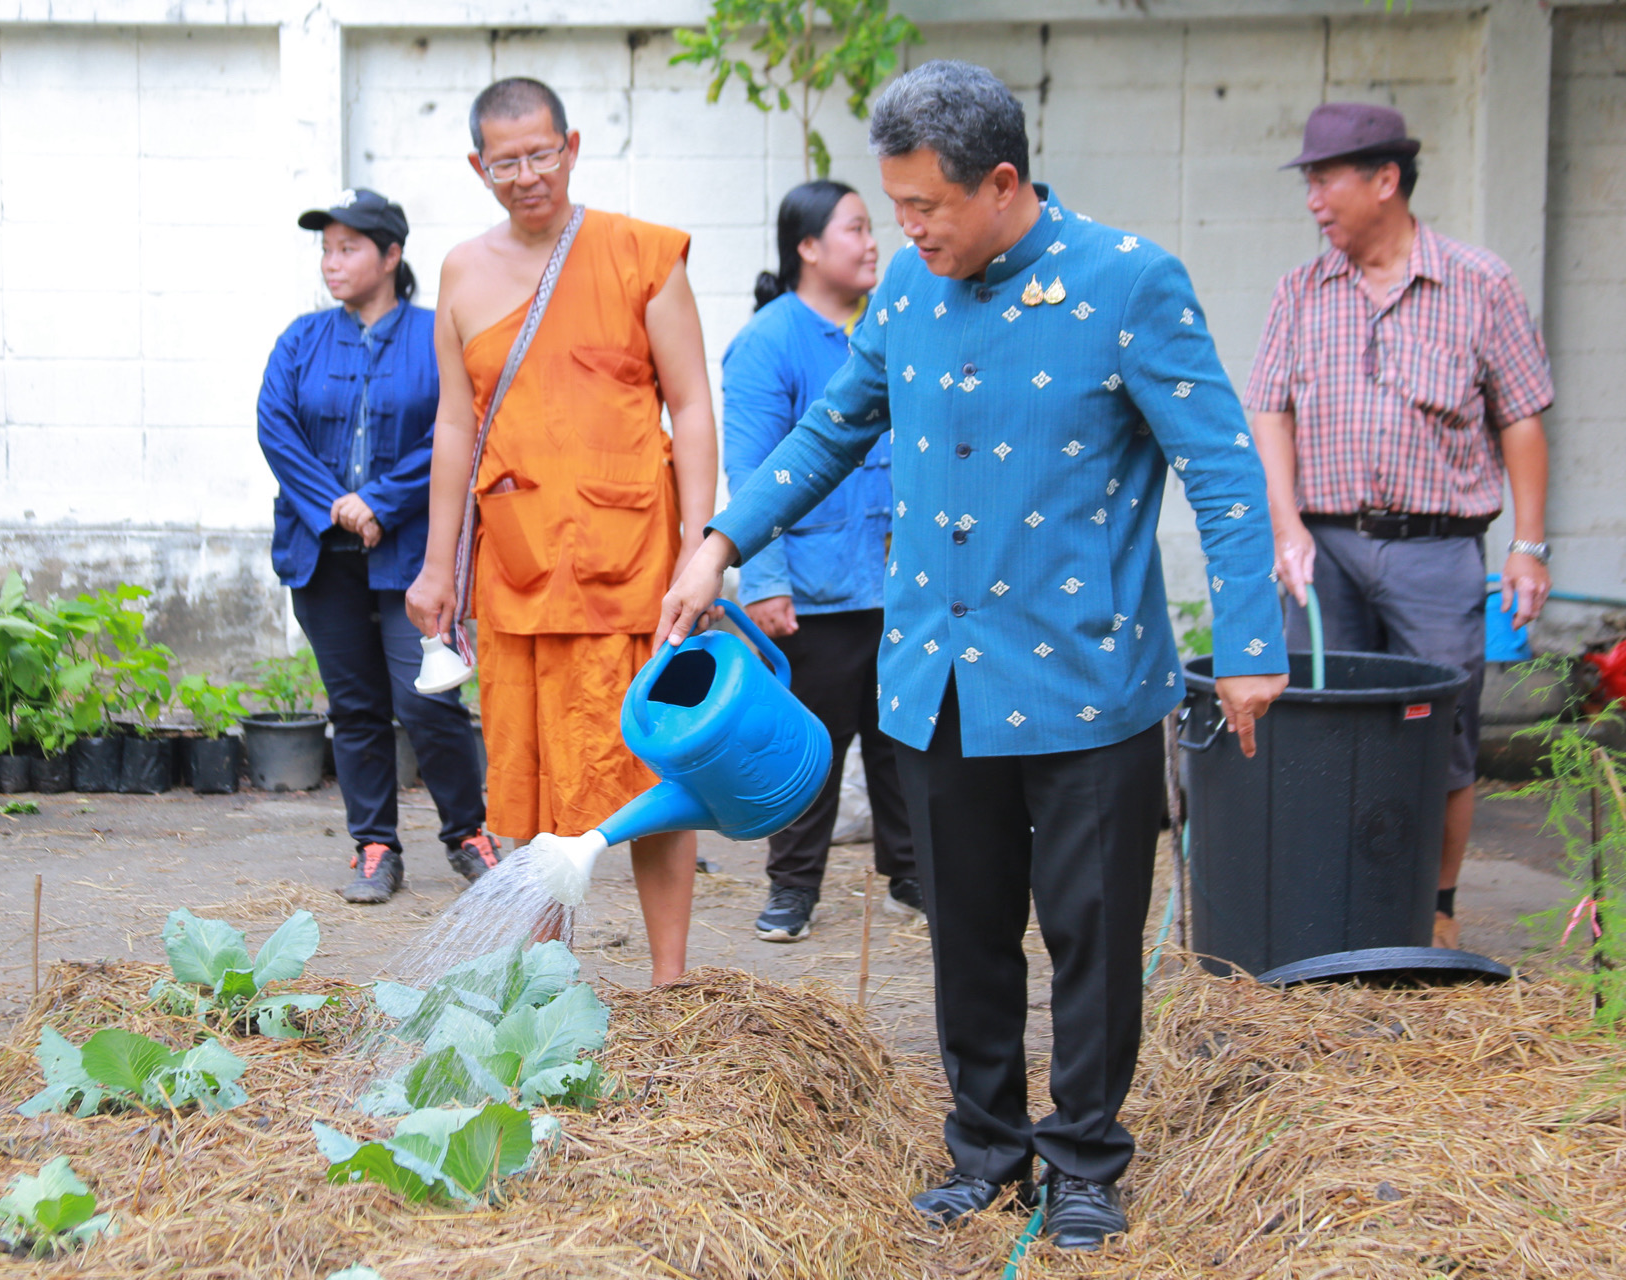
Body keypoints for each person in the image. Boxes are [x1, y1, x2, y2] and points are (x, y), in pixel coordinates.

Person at [657, 62, 1289, 1249]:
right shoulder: (907, 290)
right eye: (894, 209)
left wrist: (1251, 643)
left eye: (928, 208)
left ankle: (1088, 1156)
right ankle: (986, 1146)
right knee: (966, 927)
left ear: (1004, 184)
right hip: (937, 683)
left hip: (1086, 678)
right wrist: (722, 544)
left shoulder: (1128, 282)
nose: (907, 231)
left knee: (1093, 932)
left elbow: (1223, 467)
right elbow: (830, 428)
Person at [405, 78, 718, 986]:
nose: (529, 174)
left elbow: (692, 406)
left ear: (572, 146)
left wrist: (703, 548)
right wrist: (436, 569)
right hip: (519, 566)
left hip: (636, 566)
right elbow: (456, 427)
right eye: (507, 161)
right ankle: (548, 981)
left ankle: (670, 980)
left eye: (543, 153)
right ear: (479, 167)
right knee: (530, 785)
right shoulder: (462, 271)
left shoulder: (641, 255)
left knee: (659, 773)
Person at [1246, 104, 1554, 951]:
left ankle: (1434, 906)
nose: (1313, 198)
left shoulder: (1479, 282)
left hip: (1437, 550)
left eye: (1325, 178)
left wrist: (1528, 547)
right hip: (1327, 550)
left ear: (1386, 181)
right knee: (1314, 723)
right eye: (1308, 180)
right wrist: (1286, 526)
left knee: (1439, 734)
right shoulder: (1299, 292)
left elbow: (1521, 418)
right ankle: (1320, 903)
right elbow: (1269, 410)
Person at [257, 189, 497, 905]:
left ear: (392, 255)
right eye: (326, 249)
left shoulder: (436, 334)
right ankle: (374, 845)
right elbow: (276, 426)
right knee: (355, 706)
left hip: (412, 555)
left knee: (428, 700)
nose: (333, 262)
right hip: (322, 555)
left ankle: (467, 834)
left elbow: (461, 428)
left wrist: (382, 502)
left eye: (349, 248)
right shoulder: (302, 339)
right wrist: (337, 507)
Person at [723, 179, 918, 943]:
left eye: (873, 229)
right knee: (812, 748)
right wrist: (764, 580)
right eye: (856, 229)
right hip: (813, 590)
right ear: (807, 248)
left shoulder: (893, 325)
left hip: (900, 585)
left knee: (904, 739)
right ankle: (792, 888)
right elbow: (754, 470)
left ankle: (912, 875)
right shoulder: (770, 341)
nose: (873, 243)